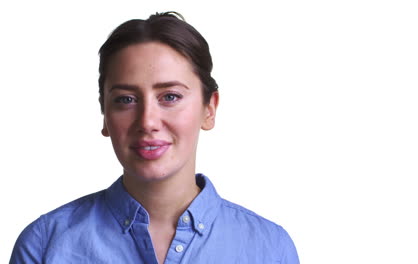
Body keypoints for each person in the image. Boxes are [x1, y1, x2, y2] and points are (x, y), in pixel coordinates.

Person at [10, 12, 299, 263]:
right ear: (104, 115)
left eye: (170, 96)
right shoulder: (45, 244)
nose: (147, 122)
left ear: (209, 109)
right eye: (125, 100)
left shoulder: (270, 248)